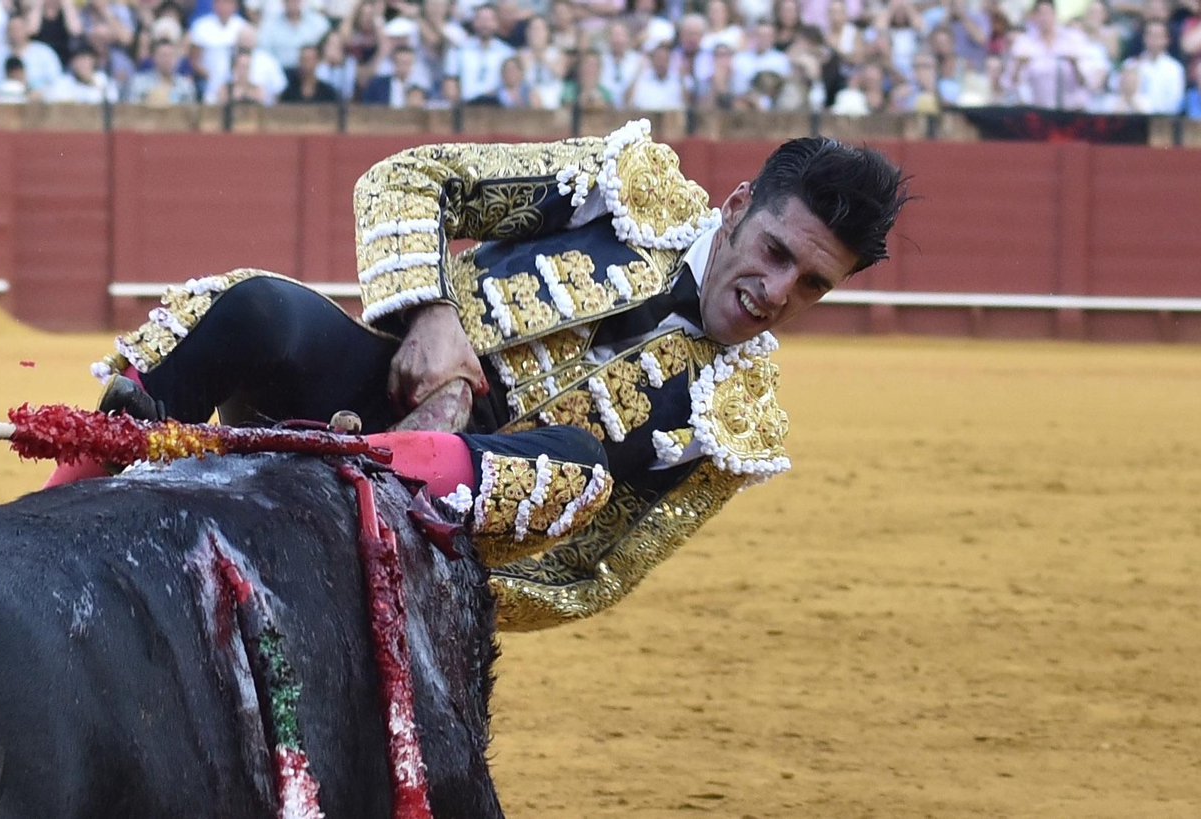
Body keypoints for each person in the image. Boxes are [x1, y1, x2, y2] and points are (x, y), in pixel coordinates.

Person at [48, 122, 908, 631]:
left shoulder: (735, 424)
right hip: (370, 384)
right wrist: (431, 318)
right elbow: (412, 178)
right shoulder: (619, 191)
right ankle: (50, 525)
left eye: (813, 286)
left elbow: (590, 575)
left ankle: (376, 490)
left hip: (423, 533)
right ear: (736, 209)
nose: (777, 293)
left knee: (578, 465)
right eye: (776, 253)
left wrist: (441, 574)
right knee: (256, 306)